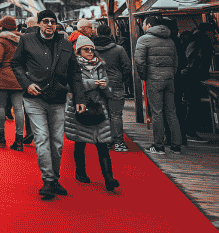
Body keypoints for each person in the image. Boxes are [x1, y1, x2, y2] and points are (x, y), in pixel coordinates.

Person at [10, 9, 82, 200]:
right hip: (34, 98)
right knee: (42, 138)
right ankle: (48, 180)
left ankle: (54, 179)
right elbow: (15, 64)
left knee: (57, 143)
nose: (49, 25)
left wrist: (79, 98)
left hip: (58, 98)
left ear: (56, 24)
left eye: (52, 21)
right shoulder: (27, 40)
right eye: (46, 21)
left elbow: (75, 72)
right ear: (39, 24)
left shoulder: (65, 44)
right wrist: (26, 84)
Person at [65, 35, 120, 192]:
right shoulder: (73, 66)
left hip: (97, 108)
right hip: (80, 107)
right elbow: (71, 86)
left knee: (102, 144)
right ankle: (80, 172)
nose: (90, 52)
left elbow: (109, 91)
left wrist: (104, 87)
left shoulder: (100, 66)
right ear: (79, 51)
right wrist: (93, 83)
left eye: (92, 49)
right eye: (86, 49)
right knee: (79, 142)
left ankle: (109, 178)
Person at [134, 16, 182, 155]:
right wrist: (171, 74)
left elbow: (139, 62)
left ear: (148, 25)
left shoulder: (143, 39)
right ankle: (176, 145)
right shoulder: (170, 39)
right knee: (171, 111)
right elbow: (175, 61)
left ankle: (158, 145)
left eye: (143, 24)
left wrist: (144, 76)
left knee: (157, 112)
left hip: (154, 79)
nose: (143, 26)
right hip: (169, 78)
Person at [93, 23, 132, 152]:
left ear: (97, 33)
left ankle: (107, 140)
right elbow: (127, 67)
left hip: (98, 84)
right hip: (115, 84)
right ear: (110, 34)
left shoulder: (92, 49)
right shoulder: (119, 49)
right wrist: (122, 80)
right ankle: (119, 142)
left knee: (103, 114)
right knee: (116, 115)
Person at [0, 16, 25, 150]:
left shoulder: (2, 40)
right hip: (18, 77)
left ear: (4, 26)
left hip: (3, 77)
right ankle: (19, 140)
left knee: (0, 107)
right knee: (18, 109)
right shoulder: (22, 40)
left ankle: (0, 137)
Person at [181, 24, 218, 142]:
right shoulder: (203, 39)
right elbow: (199, 58)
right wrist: (203, 74)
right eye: (214, 33)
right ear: (209, 32)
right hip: (194, 75)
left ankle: (188, 131)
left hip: (188, 74)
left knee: (190, 102)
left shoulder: (194, 37)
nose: (215, 36)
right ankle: (190, 132)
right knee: (193, 103)